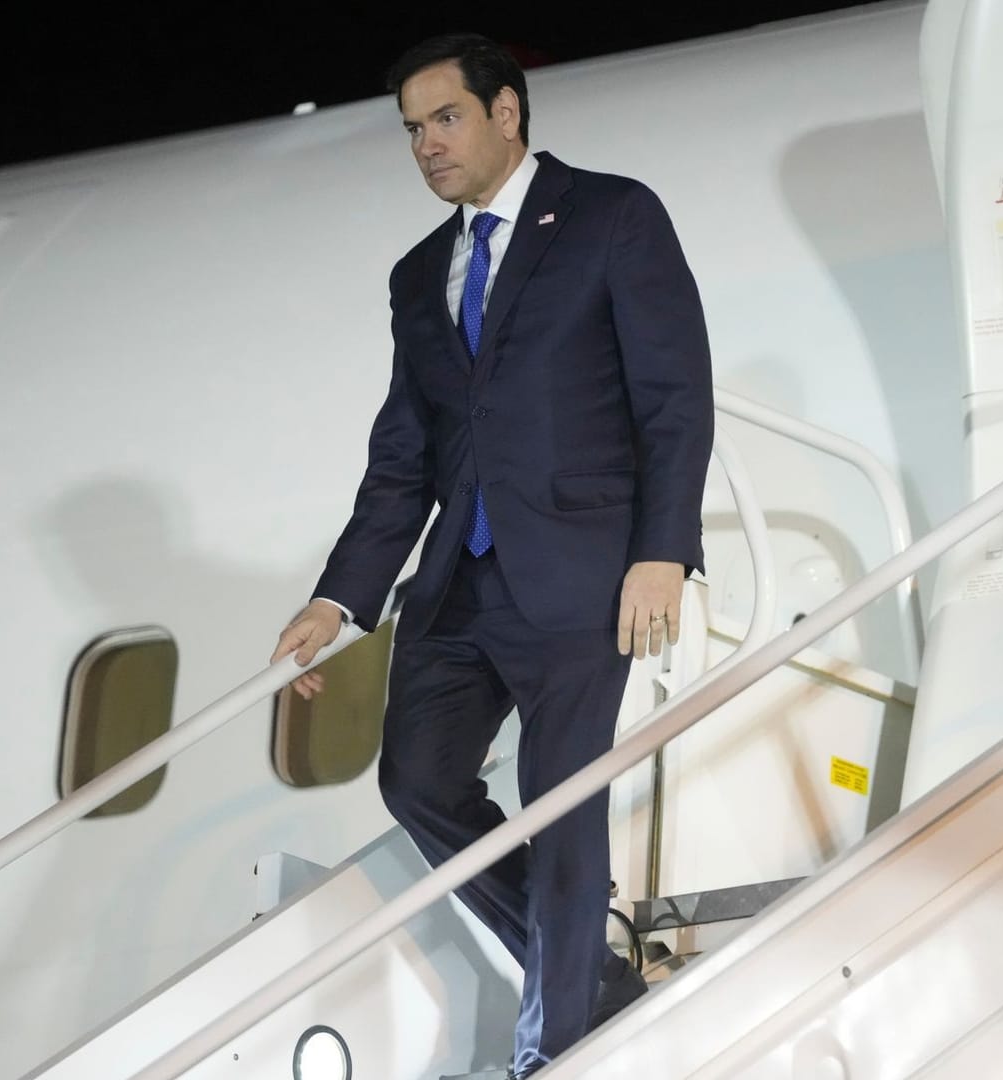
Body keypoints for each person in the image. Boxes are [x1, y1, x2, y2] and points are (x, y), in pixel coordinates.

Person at [269, 31, 713, 1078]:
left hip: (583, 571)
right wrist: (339, 601)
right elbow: (403, 458)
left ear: (507, 112)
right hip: (458, 586)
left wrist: (663, 551)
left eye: (446, 118)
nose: (427, 145)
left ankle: (551, 1046)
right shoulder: (420, 275)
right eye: (413, 130)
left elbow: (672, 396)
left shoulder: (611, 217)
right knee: (417, 779)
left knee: (561, 808)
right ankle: (588, 981)